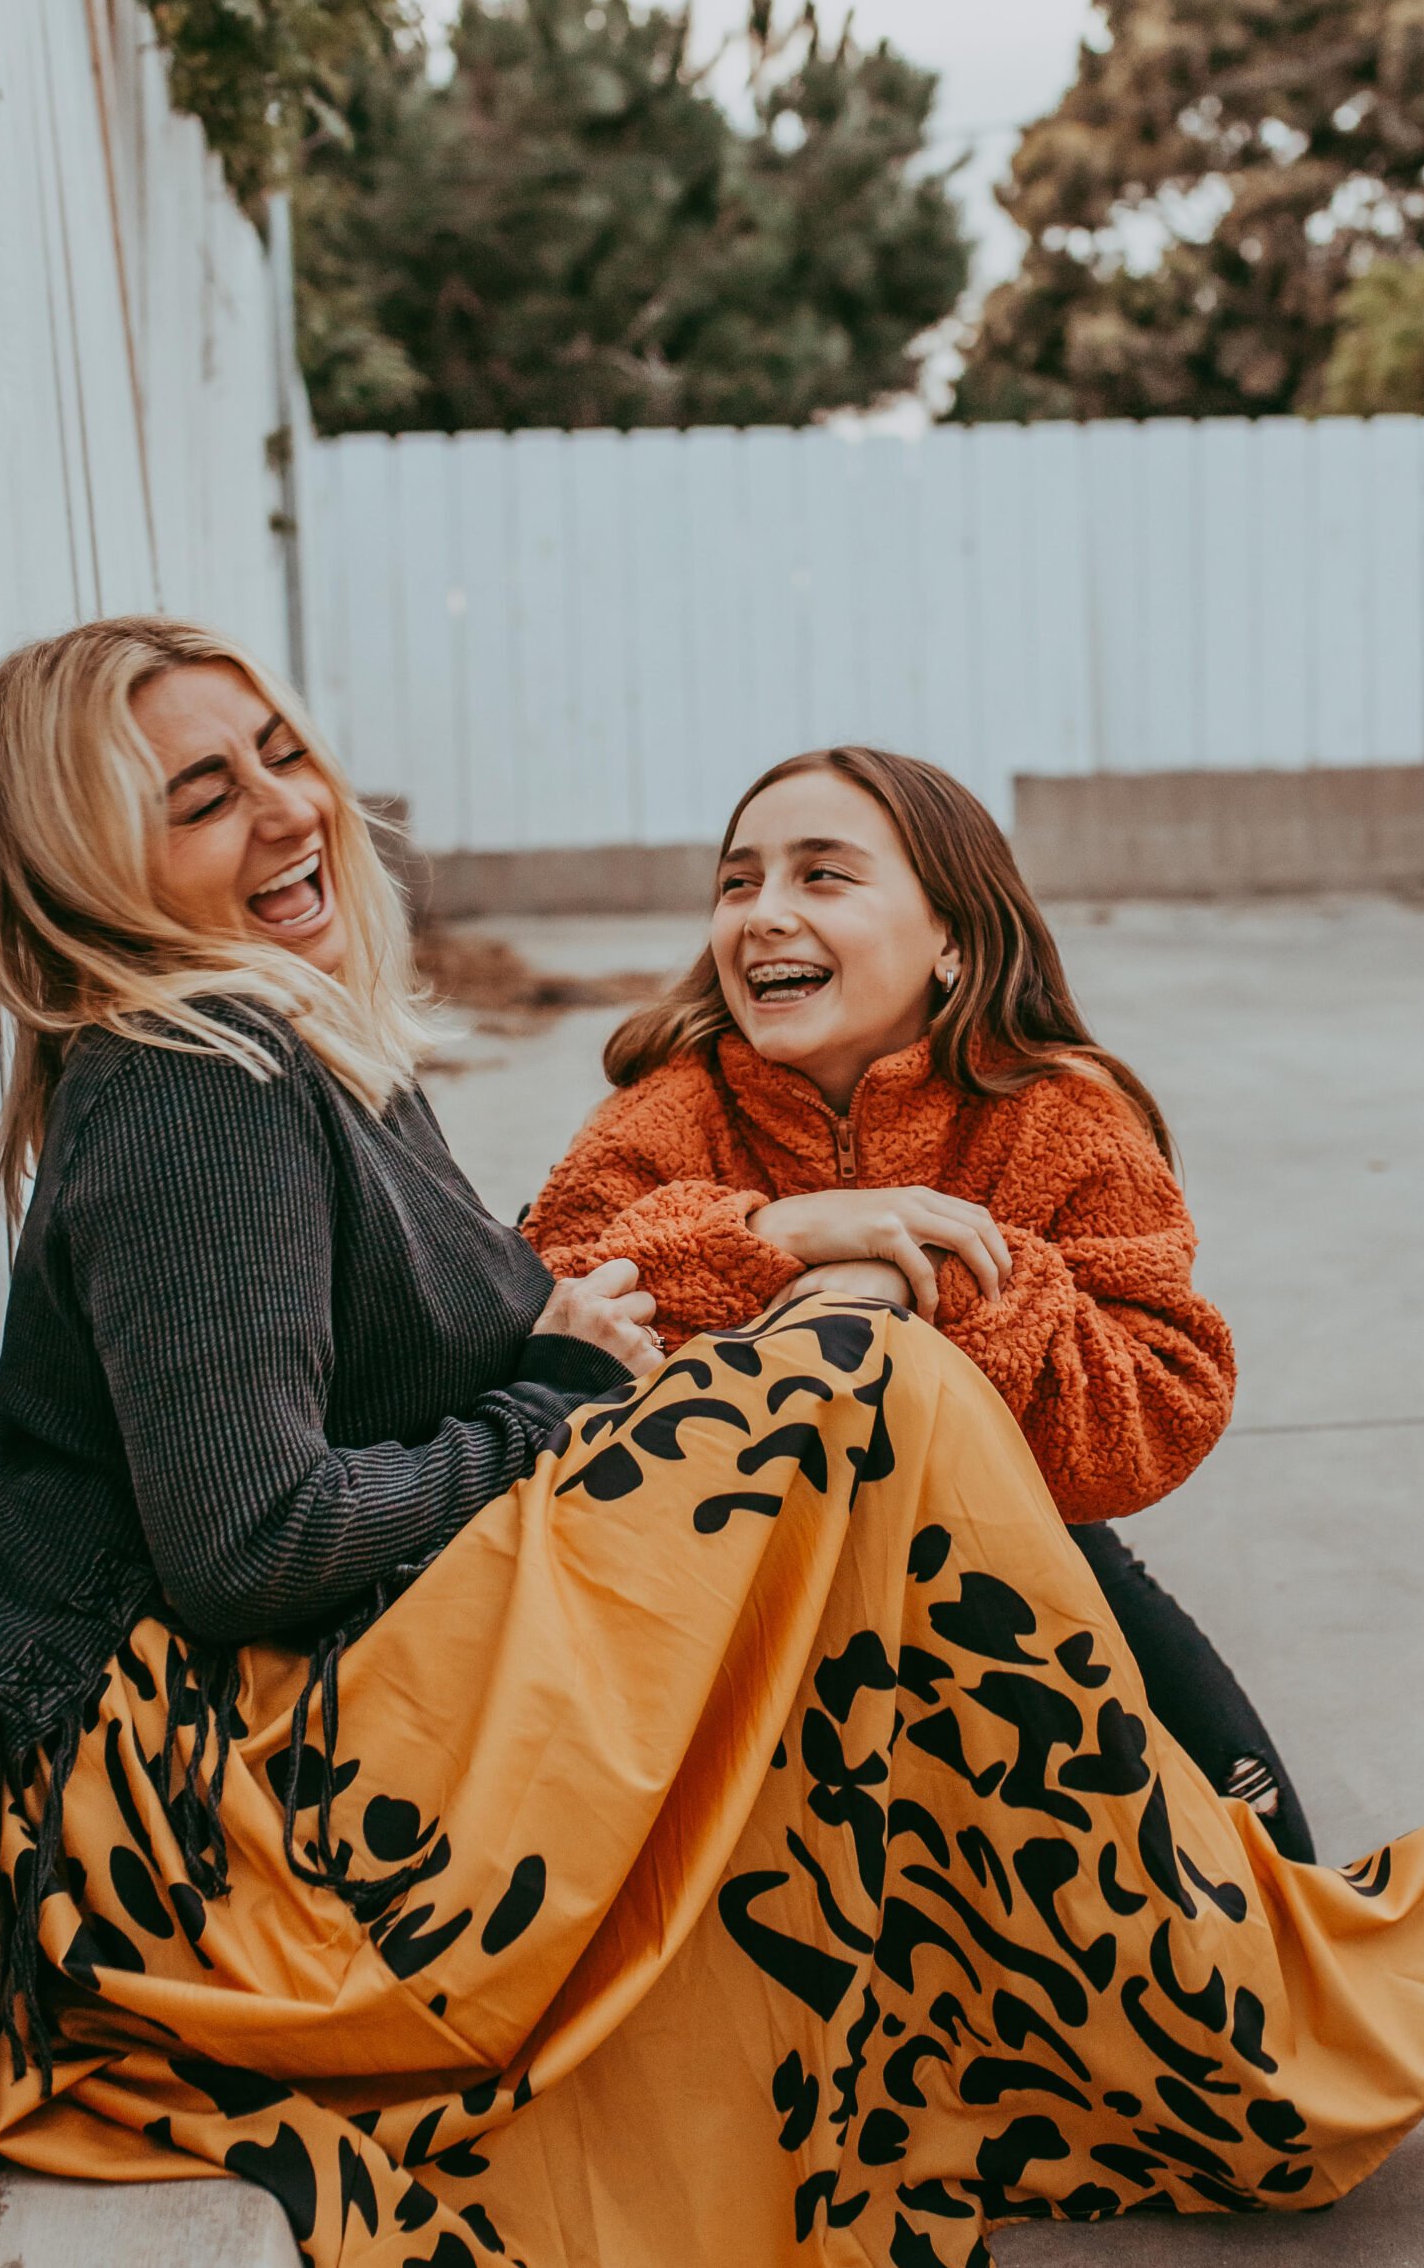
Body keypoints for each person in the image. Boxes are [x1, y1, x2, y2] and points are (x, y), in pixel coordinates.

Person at [0, 617, 1424, 2268]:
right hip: (218, 1822)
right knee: (851, 1384)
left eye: (277, 753)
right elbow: (251, 1545)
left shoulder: (292, 1043)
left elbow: (532, 1324)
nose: (285, 810)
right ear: (83, 854)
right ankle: (1233, 1996)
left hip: (304, 1723)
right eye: (197, 792)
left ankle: (1206, 1960)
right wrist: (568, 1392)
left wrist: (739, 1275)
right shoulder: (195, 1077)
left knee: (858, 1403)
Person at [528, 745, 1315, 1856]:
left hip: (1009, 1559)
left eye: (822, 876)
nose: (763, 915)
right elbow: (552, 1311)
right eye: (737, 881)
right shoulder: (663, 1115)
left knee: (1266, 1867)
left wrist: (912, 1284)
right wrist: (767, 1239)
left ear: (948, 932)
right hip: (725, 1595)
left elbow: (1154, 1407)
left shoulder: (1057, 1115)